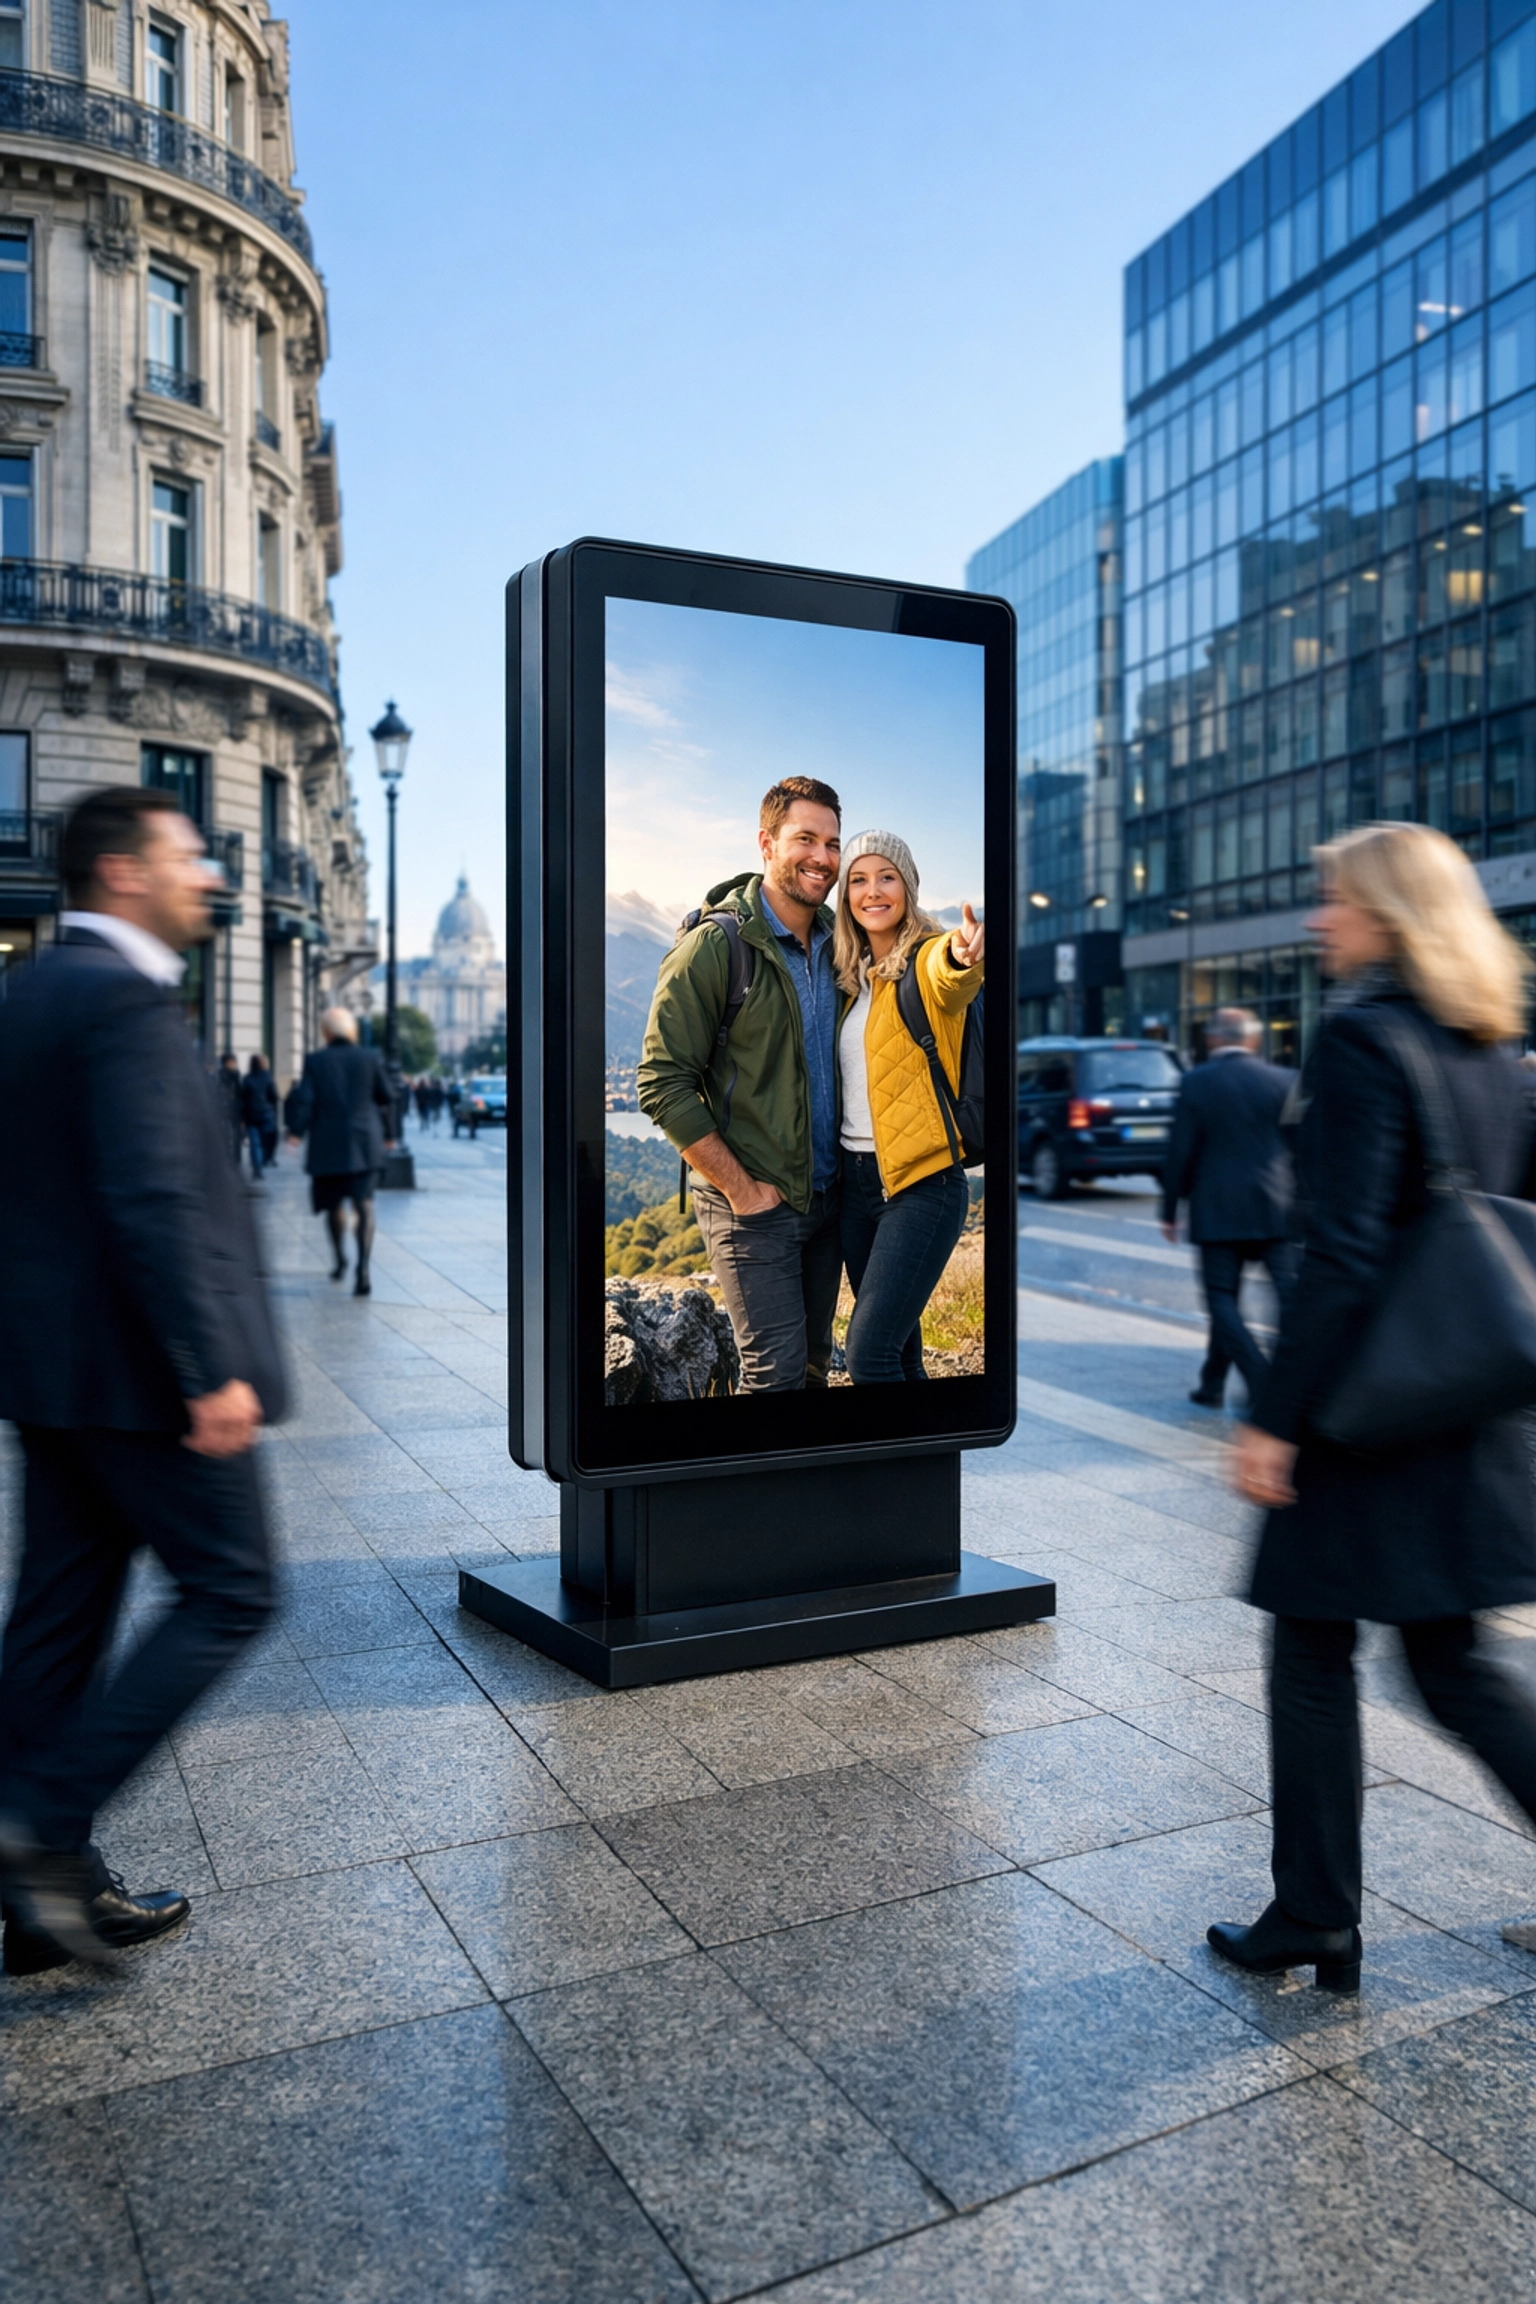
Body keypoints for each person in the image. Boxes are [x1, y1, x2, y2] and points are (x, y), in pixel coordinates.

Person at [1213, 822, 1536, 1994]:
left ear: (1389, 915)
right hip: (1465, 1404)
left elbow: (1343, 1258)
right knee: (1452, 1666)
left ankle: (1315, 1916)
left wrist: (1276, 1421)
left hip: (1368, 1411)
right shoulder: (1492, 1048)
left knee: (1310, 1648)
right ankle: (1315, 1913)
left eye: (1334, 899)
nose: (1318, 918)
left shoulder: (1362, 1041)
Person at [0, 784, 283, 1972]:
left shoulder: (30, 991)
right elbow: (152, 1198)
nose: (208, 873)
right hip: (141, 1379)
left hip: (55, 1373)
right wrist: (207, 1366)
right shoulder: (120, 1000)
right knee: (235, 1590)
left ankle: (32, 1903)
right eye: (185, 855)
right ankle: (43, 1829)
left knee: (58, 1620)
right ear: (122, 873)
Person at [639, 776, 843, 1392]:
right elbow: (661, 1081)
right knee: (773, 1378)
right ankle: (756, 1493)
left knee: (812, 1366)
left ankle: (808, 1491)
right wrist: (744, 1192)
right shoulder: (715, 946)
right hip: (750, 1207)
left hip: (828, 1200)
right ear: (766, 843)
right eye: (805, 838)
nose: (823, 858)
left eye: (833, 844)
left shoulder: (842, 942)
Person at [831, 832, 983, 1382]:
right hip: (856, 1186)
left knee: (868, 1355)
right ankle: (925, 1467)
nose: (873, 891)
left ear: (908, 886)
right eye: (859, 879)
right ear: (846, 894)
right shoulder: (850, 979)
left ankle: (886, 1470)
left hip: (923, 1185)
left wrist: (962, 956)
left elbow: (951, 975)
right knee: (899, 1356)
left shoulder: (925, 959)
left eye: (887, 877)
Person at [1160, 1006, 1298, 1410]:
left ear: (1213, 1039)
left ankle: (1259, 1378)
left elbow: (1180, 1152)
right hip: (1275, 1207)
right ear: (1254, 1039)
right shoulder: (1284, 1080)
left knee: (1222, 1298)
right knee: (1287, 1297)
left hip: (1217, 1208)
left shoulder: (1196, 1082)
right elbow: (1302, 1146)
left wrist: (1170, 1209)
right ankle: (1212, 1383)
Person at [285, 1006, 394, 1297]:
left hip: (327, 1144)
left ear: (325, 1032)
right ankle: (364, 1269)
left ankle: (340, 1260)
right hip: (365, 1143)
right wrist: (390, 1135)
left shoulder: (315, 1061)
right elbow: (387, 1096)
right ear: (351, 1031)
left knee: (333, 1206)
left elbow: (305, 1098)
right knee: (365, 1204)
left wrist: (296, 1132)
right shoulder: (369, 1057)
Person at [242, 1052, 279, 1181]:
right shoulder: (268, 1077)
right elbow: (274, 1096)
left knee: (254, 1143)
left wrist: (243, 1118)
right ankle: (262, 1162)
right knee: (264, 1142)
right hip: (266, 1114)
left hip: (251, 1115)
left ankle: (257, 1168)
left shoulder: (247, 1079)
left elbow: (243, 1100)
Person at [218, 1050, 245, 1165]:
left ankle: (236, 1160)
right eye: (232, 1062)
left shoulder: (237, 1075)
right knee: (224, 1135)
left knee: (236, 1136)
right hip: (223, 1109)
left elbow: (241, 1094)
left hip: (235, 1110)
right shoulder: (219, 1075)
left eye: (234, 1062)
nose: (234, 1064)